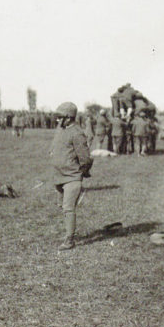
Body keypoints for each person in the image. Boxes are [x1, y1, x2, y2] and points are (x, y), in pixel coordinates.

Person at [49, 102, 93, 251]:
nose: (57, 120)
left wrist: (80, 172)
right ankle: (69, 232)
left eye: (59, 117)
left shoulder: (77, 133)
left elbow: (85, 158)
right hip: (58, 177)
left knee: (68, 208)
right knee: (62, 207)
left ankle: (69, 240)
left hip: (71, 177)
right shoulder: (60, 130)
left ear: (68, 117)